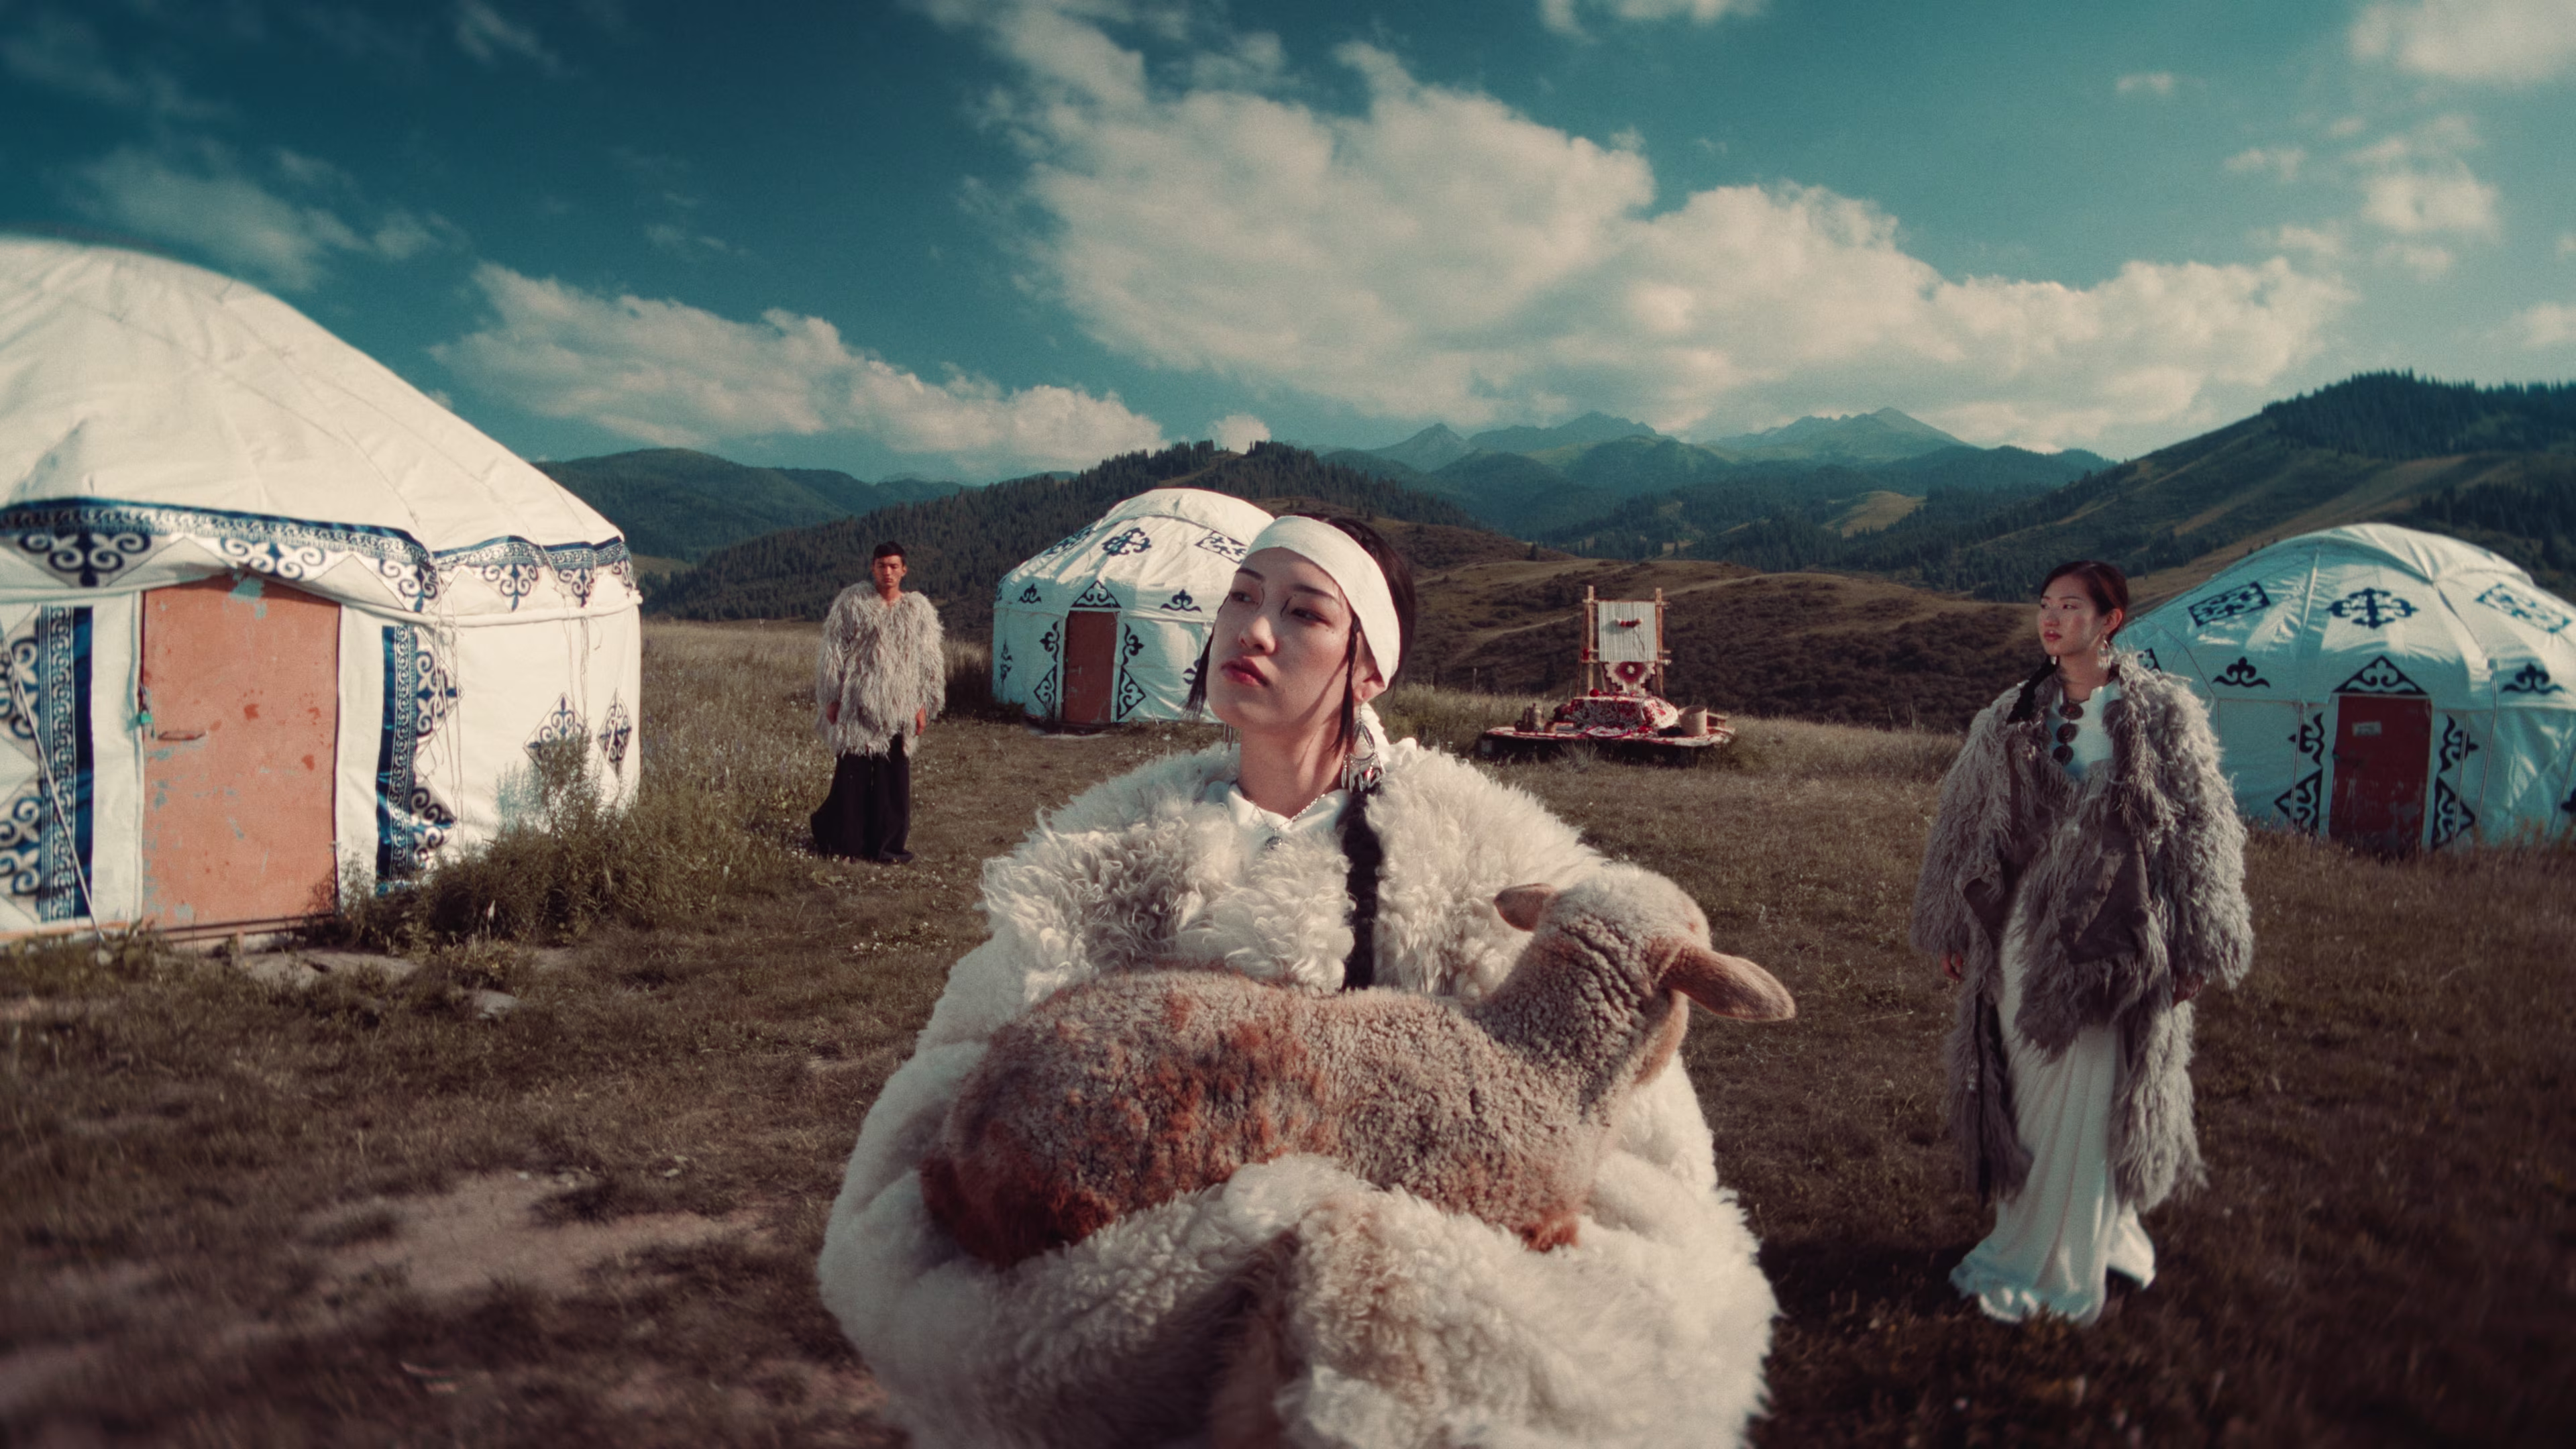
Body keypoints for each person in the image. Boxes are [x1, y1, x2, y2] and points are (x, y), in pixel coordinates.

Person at [817, 515, 1778, 1448]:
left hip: (1384, 1345)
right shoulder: (1110, 847)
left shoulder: (1480, 856)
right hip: (1124, 1314)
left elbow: (1624, 1128)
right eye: (1240, 596)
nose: (1254, 628)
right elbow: (962, 1070)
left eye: (1306, 611)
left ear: (1369, 669)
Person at [1912, 559, 2253, 1326]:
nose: (2052, 618)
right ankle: (2028, 1232)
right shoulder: (2011, 712)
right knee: (2028, 1089)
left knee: (2095, 1086)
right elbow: (1962, 823)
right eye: (2045, 605)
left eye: (2071, 606)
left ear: (2111, 621)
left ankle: (2076, 1249)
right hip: (2023, 932)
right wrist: (1951, 924)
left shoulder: (2162, 714)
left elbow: (2202, 831)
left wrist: (2197, 940)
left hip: (2115, 933)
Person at [810, 541, 943, 864]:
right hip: (857, 702)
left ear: (904, 570)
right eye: (882, 565)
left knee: (893, 781)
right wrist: (831, 697)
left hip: (900, 704)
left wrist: (923, 704)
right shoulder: (852, 602)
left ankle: (887, 847)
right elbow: (833, 650)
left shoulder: (917, 609)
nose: (888, 572)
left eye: (894, 566)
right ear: (872, 568)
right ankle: (845, 842)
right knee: (851, 778)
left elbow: (929, 659)